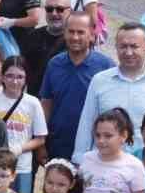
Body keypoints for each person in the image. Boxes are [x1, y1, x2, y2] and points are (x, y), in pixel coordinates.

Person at [73, 22, 145, 157]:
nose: (128, 52)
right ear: (116, 47)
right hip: (105, 163)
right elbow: (87, 123)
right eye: (123, 46)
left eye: (134, 46)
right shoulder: (99, 81)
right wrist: (79, 157)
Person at [39, 12, 114, 165]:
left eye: (81, 32)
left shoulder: (106, 67)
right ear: (64, 33)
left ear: (92, 34)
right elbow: (46, 104)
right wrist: (41, 143)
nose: (75, 37)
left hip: (94, 148)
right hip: (58, 145)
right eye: (71, 31)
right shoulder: (54, 64)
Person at [0, 56, 48, 193]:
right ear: (2, 76)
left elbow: (40, 138)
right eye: (10, 76)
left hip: (22, 166)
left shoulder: (32, 103)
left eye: (20, 77)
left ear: (26, 78)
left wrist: (19, 149)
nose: (15, 81)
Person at [22, 0, 71, 95]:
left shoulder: (74, 41)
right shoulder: (33, 36)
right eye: (49, 9)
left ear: (69, 11)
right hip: (33, 97)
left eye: (60, 9)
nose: (54, 13)